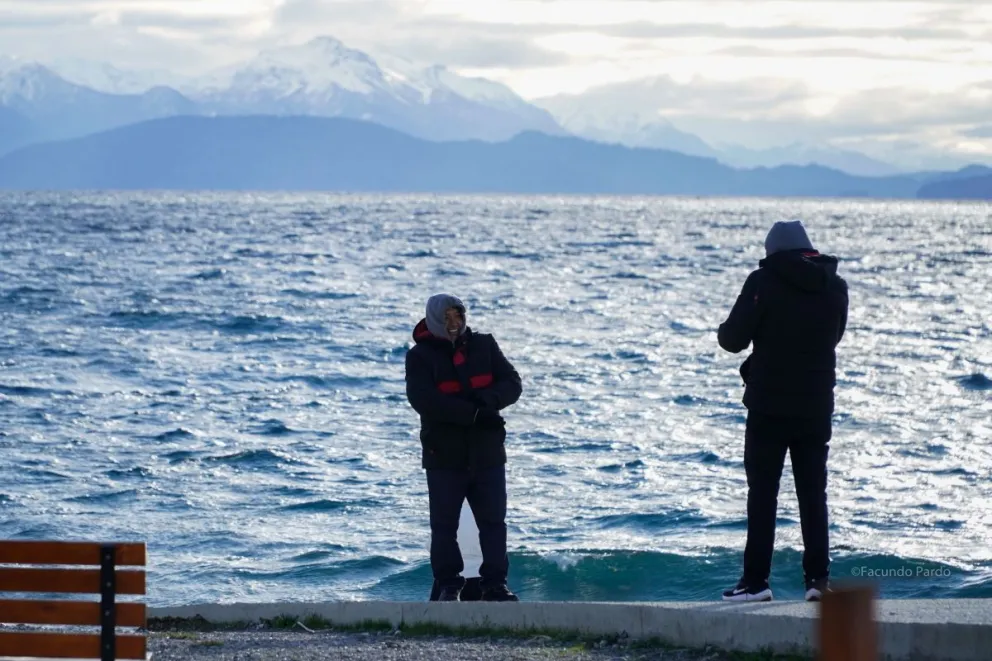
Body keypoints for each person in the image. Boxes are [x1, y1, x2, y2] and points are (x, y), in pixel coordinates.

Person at [717, 220, 848, 603]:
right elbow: (833, 336)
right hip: (816, 405)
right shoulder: (834, 285)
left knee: (763, 495)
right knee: (813, 494)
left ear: (772, 251)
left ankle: (756, 583)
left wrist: (728, 328)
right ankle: (818, 583)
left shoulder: (763, 281)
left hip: (769, 405)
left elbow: (732, 340)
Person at [405, 293, 522, 602]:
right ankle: (447, 584)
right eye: (446, 318)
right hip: (443, 456)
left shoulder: (485, 345)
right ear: (433, 320)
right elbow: (424, 400)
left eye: (458, 316)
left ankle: (495, 584)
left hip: (488, 454)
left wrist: (488, 402)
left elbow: (512, 383)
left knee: (494, 524)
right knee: (444, 527)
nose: (453, 324)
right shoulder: (419, 356)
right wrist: (471, 414)